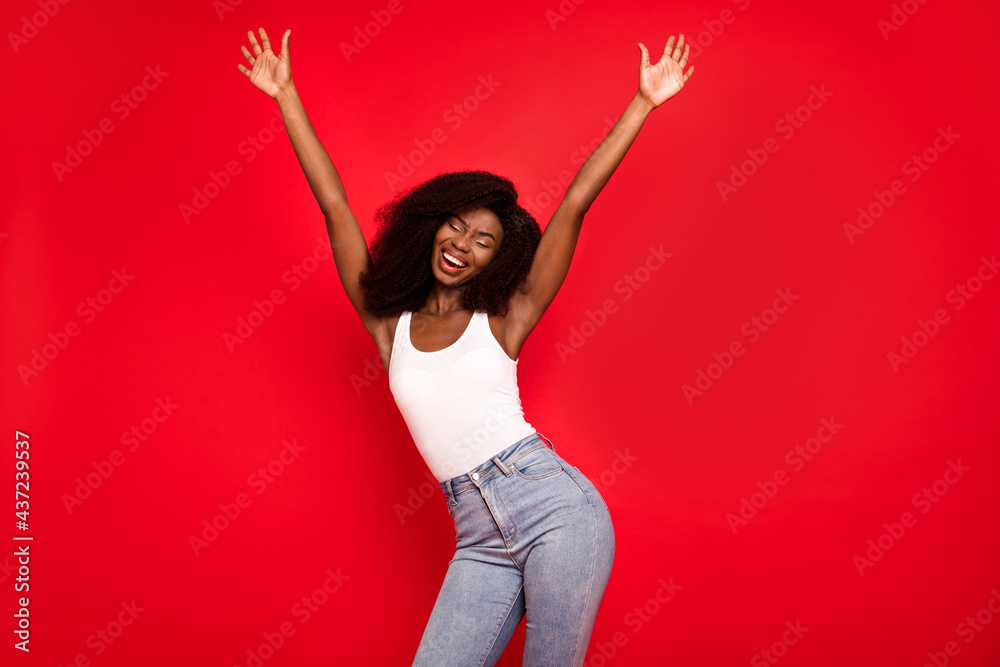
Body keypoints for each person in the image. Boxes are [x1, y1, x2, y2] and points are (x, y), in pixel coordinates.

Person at [236, 25, 692, 666]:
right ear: (433, 225)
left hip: (554, 508)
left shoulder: (507, 318)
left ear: (496, 262)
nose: (464, 246)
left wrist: (642, 104)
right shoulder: (388, 325)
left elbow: (575, 205)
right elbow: (335, 206)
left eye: (485, 242)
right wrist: (286, 97)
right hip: (477, 534)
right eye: (457, 226)